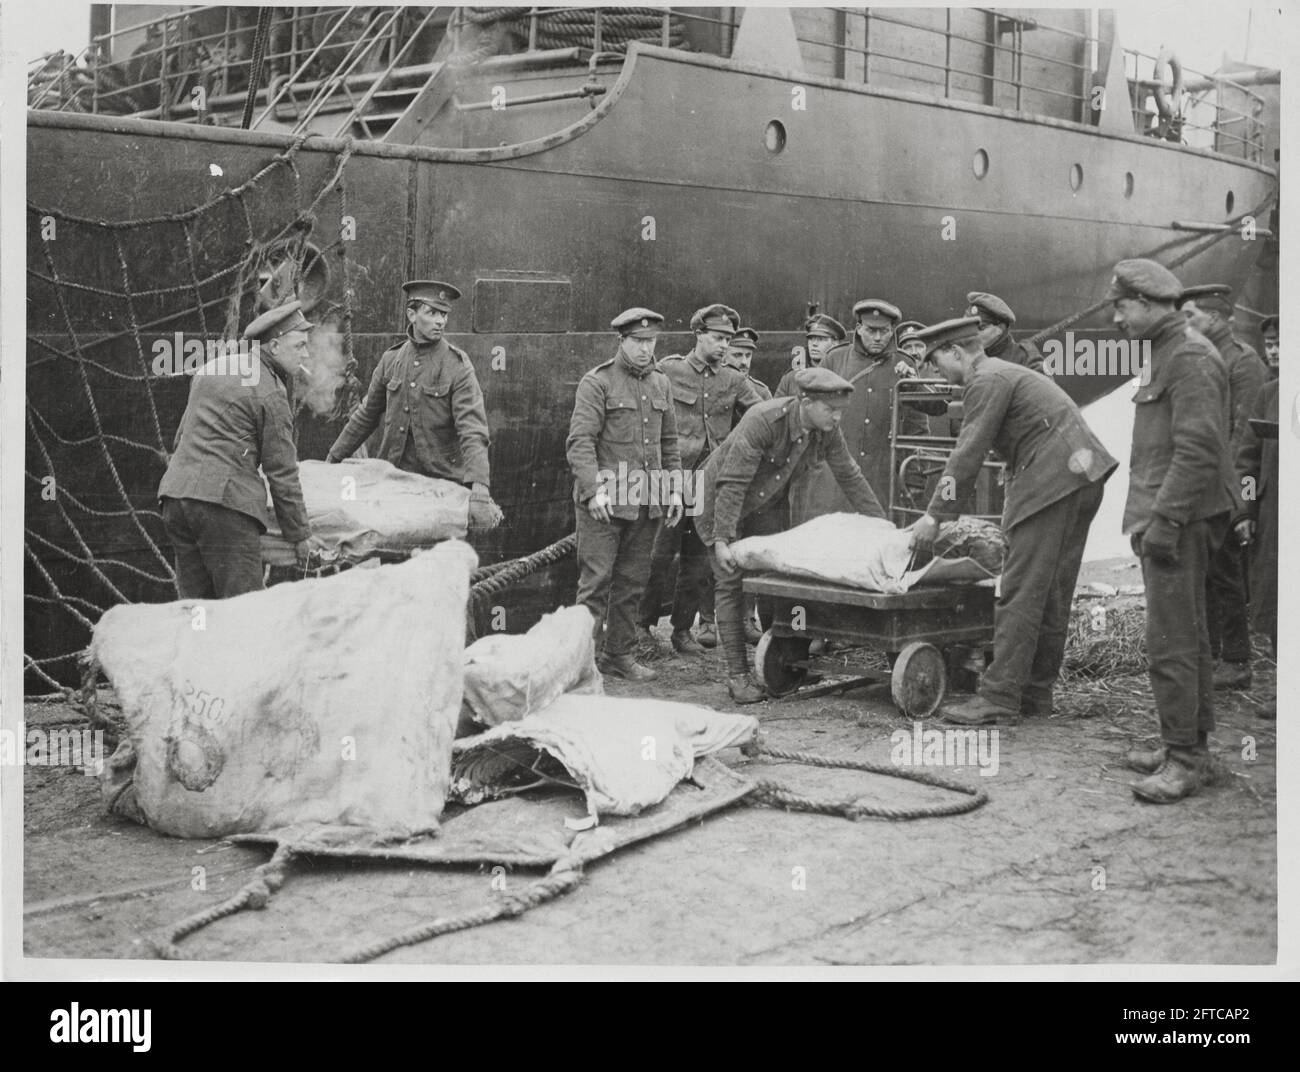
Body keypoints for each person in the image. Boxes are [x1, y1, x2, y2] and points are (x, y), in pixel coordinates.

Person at [907, 317, 1117, 725]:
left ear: (956, 352)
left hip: (1049, 481)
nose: (932, 372)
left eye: (934, 362)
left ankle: (1000, 697)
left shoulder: (985, 379)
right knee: (1053, 590)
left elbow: (967, 455)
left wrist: (934, 516)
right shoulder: (1006, 373)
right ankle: (1037, 694)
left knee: (1019, 588)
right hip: (1081, 478)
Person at [1110, 259, 1235, 804]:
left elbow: (1199, 448)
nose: (1116, 318)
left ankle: (1184, 758)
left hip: (1180, 517)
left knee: (1172, 638)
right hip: (1174, 513)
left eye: (1121, 306)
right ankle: (1189, 748)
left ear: (1149, 303)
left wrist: (1166, 521)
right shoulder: (1167, 351)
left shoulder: (1186, 356)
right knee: (1191, 634)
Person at [696, 367, 888, 703]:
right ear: (805, 401)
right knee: (731, 583)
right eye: (831, 409)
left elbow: (850, 476)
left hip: (765, 505)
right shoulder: (764, 420)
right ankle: (738, 676)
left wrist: (884, 528)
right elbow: (732, 483)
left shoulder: (826, 430)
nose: (838, 416)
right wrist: (722, 539)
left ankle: (785, 659)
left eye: (841, 410)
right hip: (718, 502)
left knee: (779, 577)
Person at [159, 301, 325, 598]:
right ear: (274, 346)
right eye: (299, 345)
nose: (306, 354)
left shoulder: (213, 368)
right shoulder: (271, 392)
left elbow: (181, 437)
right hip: (223, 509)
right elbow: (282, 473)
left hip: (176, 500)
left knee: (196, 611)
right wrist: (301, 537)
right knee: (244, 612)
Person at [636, 304, 763, 656]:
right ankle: (641, 627)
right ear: (698, 335)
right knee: (659, 556)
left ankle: (681, 631)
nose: (724, 346)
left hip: (710, 485)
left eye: (727, 339)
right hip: (673, 481)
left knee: (696, 564)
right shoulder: (669, 370)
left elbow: (761, 414)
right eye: (717, 338)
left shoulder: (735, 380)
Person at [326, 279, 503, 527]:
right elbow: (366, 416)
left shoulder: (457, 366)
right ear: (412, 314)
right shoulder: (391, 360)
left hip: (439, 488)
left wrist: (480, 487)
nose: (440, 321)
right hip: (392, 483)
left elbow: (472, 430)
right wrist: (333, 459)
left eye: (444, 314)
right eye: (432, 313)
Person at [567, 308, 683, 681]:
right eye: (638, 341)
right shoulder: (597, 382)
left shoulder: (661, 383)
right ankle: (582, 665)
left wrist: (674, 492)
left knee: (632, 583)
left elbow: (669, 444)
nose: (645, 349)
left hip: (645, 502)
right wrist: (592, 492)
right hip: (604, 504)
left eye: (651, 342)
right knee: (595, 584)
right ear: (622, 341)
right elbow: (580, 442)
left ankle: (619, 655)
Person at [1178, 283, 1267, 689]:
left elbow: (1244, 433)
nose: (1185, 324)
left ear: (1215, 318)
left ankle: (1236, 660)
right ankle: (1211, 656)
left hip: (1223, 488)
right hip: (1200, 485)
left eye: (1191, 316)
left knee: (1227, 574)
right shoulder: (1202, 357)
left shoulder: (1242, 362)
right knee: (1205, 574)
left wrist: (1231, 495)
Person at [1234, 316, 1278, 663]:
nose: (1275, 351)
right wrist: (1246, 511)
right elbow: (1247, 463)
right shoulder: (1268, 394)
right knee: (1278, 603)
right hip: (1273, 518)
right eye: (1271, 345)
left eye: (1282, 344)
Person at [965, 291, 1047, 374]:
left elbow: (1045, 385)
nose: (973, 333)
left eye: (981, 328)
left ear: (1000, 328)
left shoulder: (1025, 358)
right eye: (970, 327)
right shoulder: (963, 355)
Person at [775, 313, 848, 396]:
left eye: (821, 339)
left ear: (835, 343)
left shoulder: (844, 375)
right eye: (811, 339)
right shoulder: (791, 378)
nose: (814, 344)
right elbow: (777, 407)